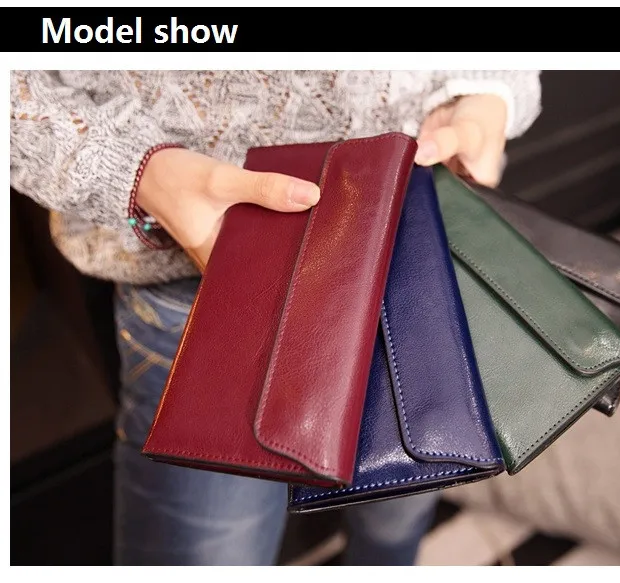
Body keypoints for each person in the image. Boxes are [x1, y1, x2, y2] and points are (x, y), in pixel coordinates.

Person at [10, 70, 542, 566]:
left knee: (397, 519)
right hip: (210, 288)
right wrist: (141, 172)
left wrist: (491, 90)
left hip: (414, 241)